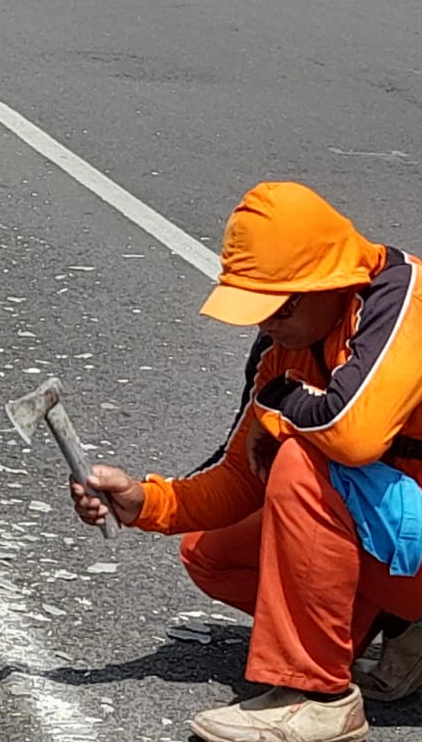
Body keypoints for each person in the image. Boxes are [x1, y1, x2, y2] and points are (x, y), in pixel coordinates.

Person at [68, 182, 422, 742]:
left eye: (276, 308)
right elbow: (240, 475)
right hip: (400, 538)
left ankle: (318, 695)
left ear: (326, 283)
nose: (264, 326)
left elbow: (351, 436)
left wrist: (280, 410)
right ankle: (398, 626)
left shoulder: (400, 299)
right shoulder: (286, 343)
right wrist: (144, 502)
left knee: (304, 464)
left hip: (407, 538)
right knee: (211, 552)